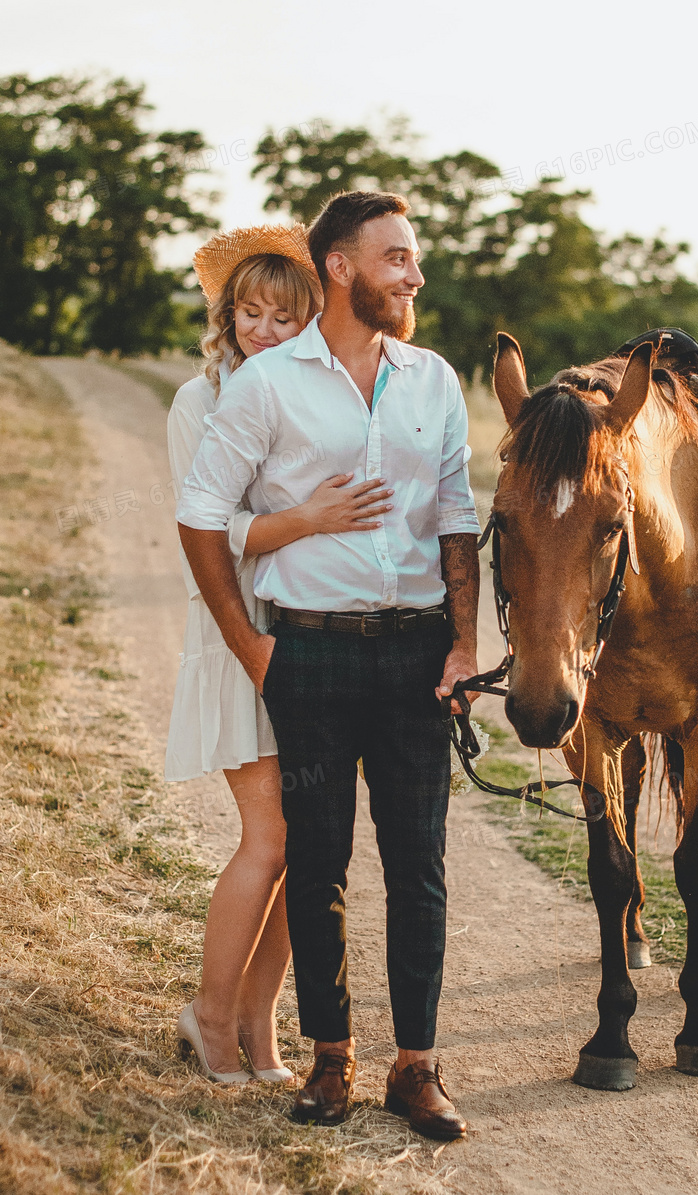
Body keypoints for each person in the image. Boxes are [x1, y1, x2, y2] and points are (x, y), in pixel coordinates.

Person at [176, 191, 481, 1139]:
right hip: (303, 648)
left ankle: (418, 1065)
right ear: (343, 267)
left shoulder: (434, 379)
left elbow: (459, 519)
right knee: (314, 862)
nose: (415, 275)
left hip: (417, 649)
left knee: (419, 866)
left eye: (414, 259)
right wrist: (252, 645)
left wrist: (467, 643)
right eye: (397, 257)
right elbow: (201, 515)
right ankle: (327, 1061)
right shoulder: (263, 386)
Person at [167, 223, 393, 1083]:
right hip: (239, 632)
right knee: (270, 837)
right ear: (228, 317)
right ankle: (210, 1015)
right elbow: (208, 532)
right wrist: (308, 520)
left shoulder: (314, 398)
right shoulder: (203, 400)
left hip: (311, 634)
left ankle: (261, 1025)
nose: (262, 328)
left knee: (312, 844)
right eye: (248, 311)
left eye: (282, 314)